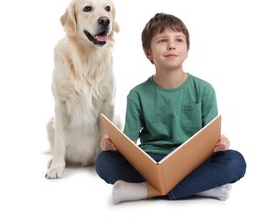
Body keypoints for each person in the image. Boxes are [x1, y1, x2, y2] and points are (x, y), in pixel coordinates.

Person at [95, 13, 247, 204]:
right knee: (104, 161)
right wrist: (112, 145)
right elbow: (129, 142)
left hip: (193, 163)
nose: (171, 45)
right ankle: (201, 188)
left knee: (235, 161)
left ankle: (146, 191)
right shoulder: (138, 94)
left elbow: (211, 141)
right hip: (151, 161)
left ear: (187, 49)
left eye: (178, 40)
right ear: (148, 52)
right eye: (162, 40)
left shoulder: (204, 90)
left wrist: (221, 143)